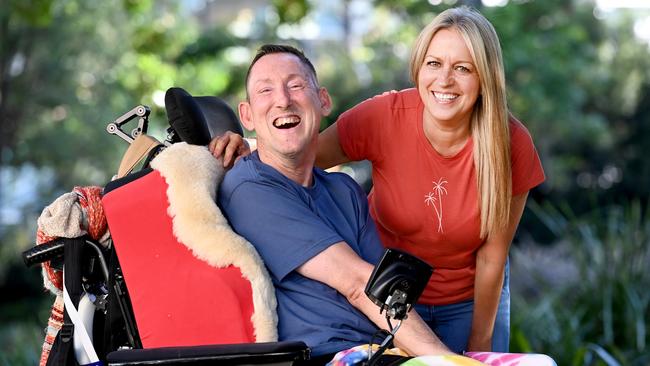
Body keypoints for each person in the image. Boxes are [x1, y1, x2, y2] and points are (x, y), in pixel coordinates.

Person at [212, 6, 545, 354]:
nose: (445, 80)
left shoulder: (509, 144)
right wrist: (249, 144)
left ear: (485, 77)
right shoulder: (383, 118)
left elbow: (493, 258)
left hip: (465, 299)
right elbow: (303, 150)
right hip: (385, 294)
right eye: (434, 64)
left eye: (463, 68)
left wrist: (479, 352)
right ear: (418, 68)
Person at [216, 44, 455, 364]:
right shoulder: (248, 189)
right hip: (330, 356)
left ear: (323, 100)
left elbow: (386, 295)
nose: (283, 100)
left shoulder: (343, 189)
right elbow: (358, 284)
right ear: (247, 115)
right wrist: (446, 360)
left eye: (296, 85)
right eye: (266, 90)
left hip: (383, 351)